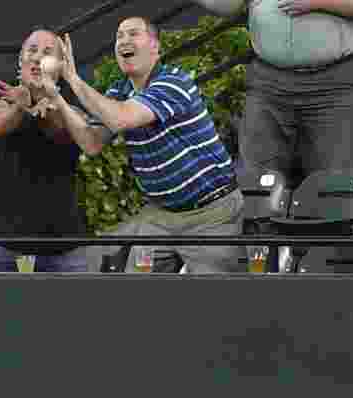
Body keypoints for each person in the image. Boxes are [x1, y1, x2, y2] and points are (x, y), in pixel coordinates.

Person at [40, 17, 245, 273]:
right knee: (137, 290)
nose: (124, 40)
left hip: (212, 214)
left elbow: (120, 118)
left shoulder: (173, 82)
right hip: (160, 215)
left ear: (155, 48)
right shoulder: (120, 92)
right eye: (119, 36)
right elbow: (91, 143)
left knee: (213, 302)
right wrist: (56, 96)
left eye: (133, 34)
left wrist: (73, 79)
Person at [191, 0, 353, 266]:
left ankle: (327, 279)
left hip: (334, 85)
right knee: (256, 187)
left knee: (334, 191)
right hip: (268, 85)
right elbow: (226, 6)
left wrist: (320, 2)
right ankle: (260, 273)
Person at [0, 27, 90, 272]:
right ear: (20, 60)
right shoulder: (0, 91)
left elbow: (67, 131)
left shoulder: (74, 98)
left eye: (47, 52)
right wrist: (20, 106)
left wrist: (44, 100)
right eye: (32, 50)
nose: (37, 57)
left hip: (63, 248)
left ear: (60, 64)